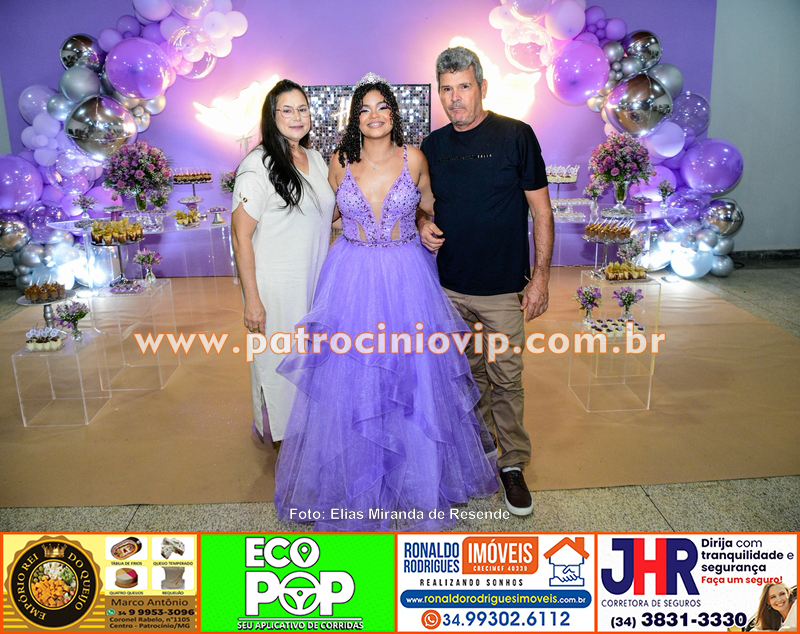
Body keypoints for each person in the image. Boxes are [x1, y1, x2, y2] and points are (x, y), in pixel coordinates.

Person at [273, 72, 498, 531]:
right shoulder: (339, 161)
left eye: (381, 107)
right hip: (351, 277)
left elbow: (428, 205)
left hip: (405, 276)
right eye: (364, 109)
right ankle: (356, 480)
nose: (373, 116)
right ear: (355, 120)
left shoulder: (414, 157)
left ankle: (415, 481)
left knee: (413, 377)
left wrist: (423, 224)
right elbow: (326, 216)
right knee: (353, 376)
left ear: (393, 114)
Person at [419, 46, 554, 517]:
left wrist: (539, 279)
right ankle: (481, 449)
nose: (455, 98)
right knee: (465, 376)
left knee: (506, 379)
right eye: (446, 89)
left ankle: (512, 464)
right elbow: (423, 205)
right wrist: (422, 223)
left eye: (464, 87)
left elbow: (541, 212)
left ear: (482, 87)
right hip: (448, 289)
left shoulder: (516, 136)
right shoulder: (433, 146)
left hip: (501, 290)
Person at [231, 79, 335, 447]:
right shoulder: (257, 165)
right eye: (287, 110)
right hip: (275, 287)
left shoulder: (315, 159)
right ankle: (285, 441)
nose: (296, 117)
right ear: (271, 116)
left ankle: (306, 432)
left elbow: (326, 215)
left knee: (309, 360)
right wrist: (252, 299)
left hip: (314, 280)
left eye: (302, 109)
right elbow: (240, 235)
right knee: (279, 363)